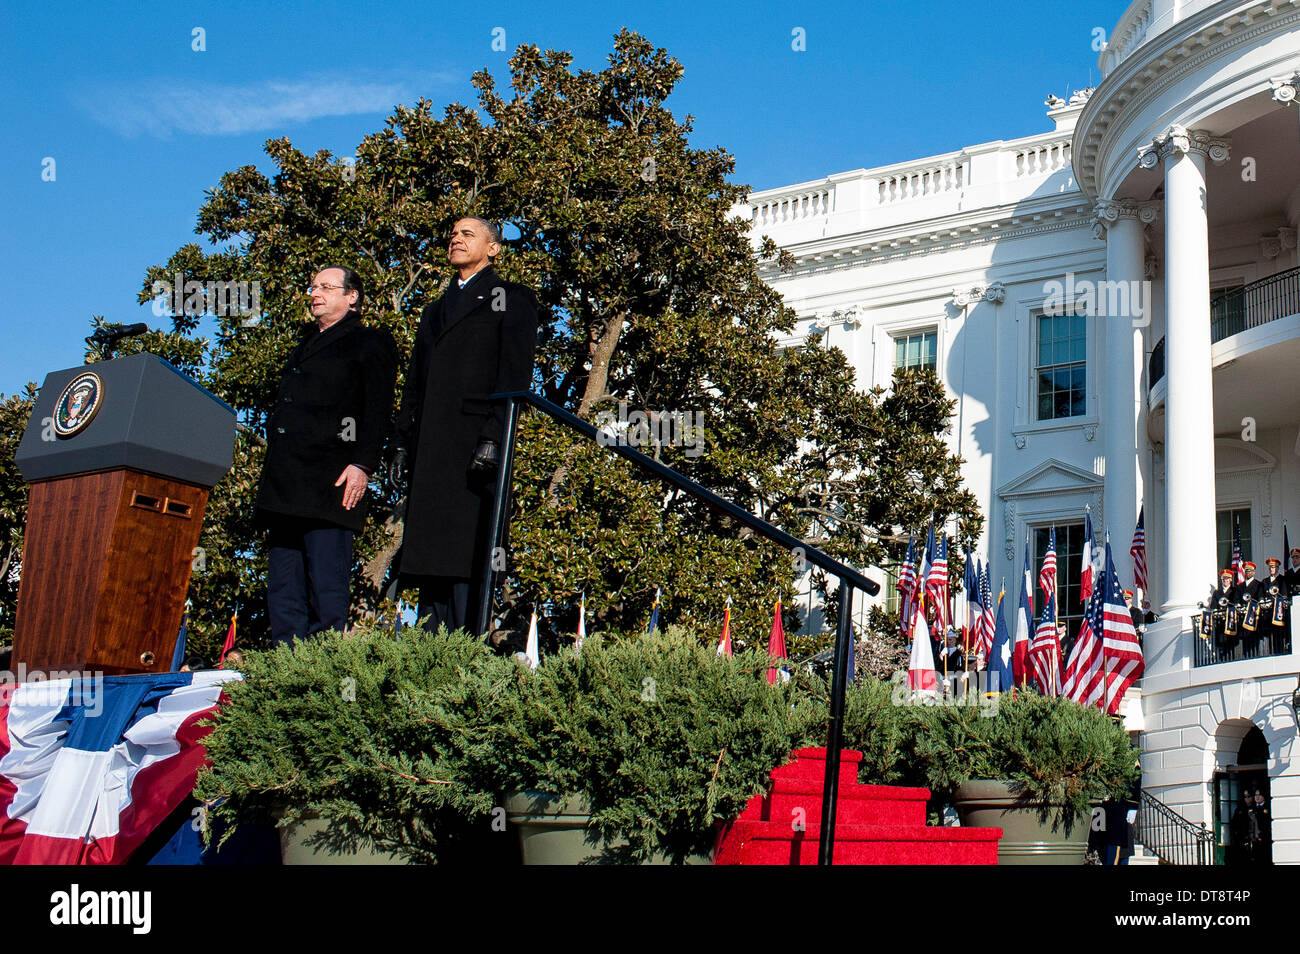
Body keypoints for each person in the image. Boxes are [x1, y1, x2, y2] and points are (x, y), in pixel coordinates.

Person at [394, 218, 539, 633]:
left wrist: (494, 436)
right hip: (430, 451)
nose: (456, 239)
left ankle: (464, 660)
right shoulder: (434, 311)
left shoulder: (510, 298)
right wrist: (403, 443)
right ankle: (426, 660)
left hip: (475, 450)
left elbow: (514, 376)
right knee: (428, 564)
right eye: (453, 235)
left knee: (465, 560)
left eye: (467, 234)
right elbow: (415, 382)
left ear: (494, 249)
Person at [257, 266, 398, 645]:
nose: (315, 293)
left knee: (326, 585)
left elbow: (377, 409)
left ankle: (322, 670)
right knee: (284, 585)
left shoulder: (370, 342)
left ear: (352, 297)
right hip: (285, 483)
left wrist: (362, 464)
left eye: (326, 287)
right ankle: (282, 666)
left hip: (331, 479)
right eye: (313, 287)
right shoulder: (303, 341)